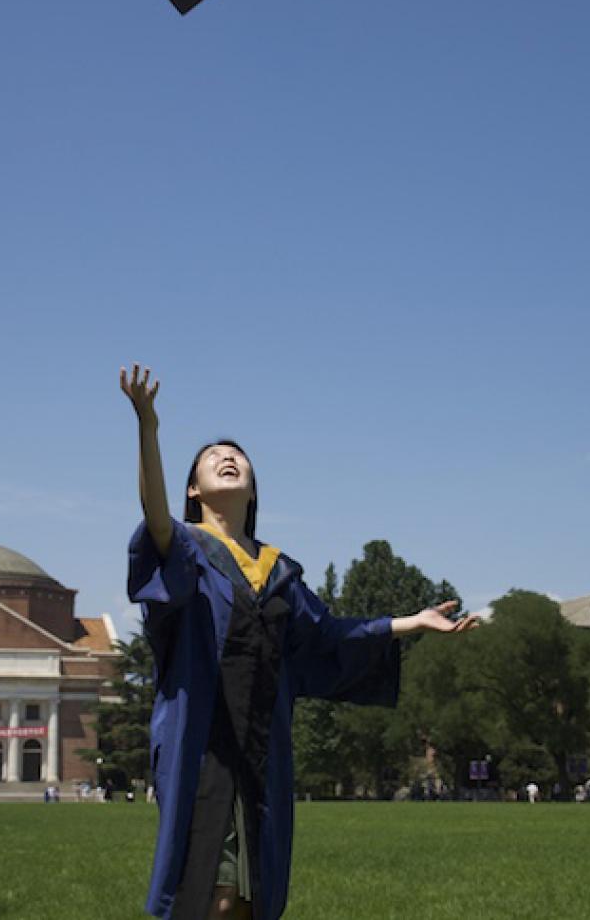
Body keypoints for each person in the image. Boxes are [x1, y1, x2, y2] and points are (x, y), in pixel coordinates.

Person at [121, 365, 478, 920]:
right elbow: (156, 520)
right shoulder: (186, 550)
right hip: (203, 747)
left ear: (254, 486)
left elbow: (329, 635)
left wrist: (408, 622)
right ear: (193, 488)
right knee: (206, 894)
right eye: (212, 457)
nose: (228, 457)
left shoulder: (279, 571)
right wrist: (148, 426)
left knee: (247, 898)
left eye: (238, 455)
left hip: (262, 751)